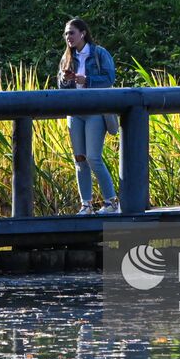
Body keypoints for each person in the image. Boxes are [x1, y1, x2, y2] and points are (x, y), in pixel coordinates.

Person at [58, 18, 119, 215]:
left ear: (83, 33)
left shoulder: (99, 53)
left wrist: (88, 80)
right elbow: (61, 87)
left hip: (94, 111)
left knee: (93, 158)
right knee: (79, 159)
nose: (68, 37)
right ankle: (86, 205)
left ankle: (111, 202)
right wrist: (66, 79)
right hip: (75, 113)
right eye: (66, 33)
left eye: (72, 33)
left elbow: (110, 78)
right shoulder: (67, 56)